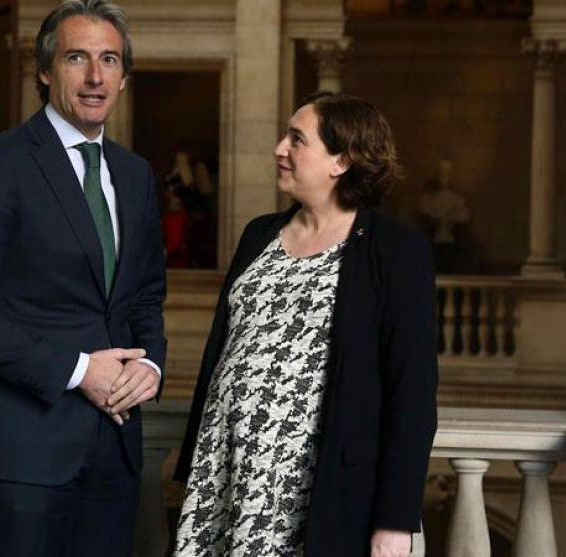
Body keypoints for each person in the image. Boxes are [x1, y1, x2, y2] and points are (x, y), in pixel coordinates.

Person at [0, 2, 166, 556]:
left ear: (124, 78)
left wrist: (150, 365)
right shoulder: (2, 162)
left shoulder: (134, 175)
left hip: (114, 449)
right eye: (77, 58)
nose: (95, 76)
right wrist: (78, 369)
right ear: (44, 70)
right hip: (22, 451)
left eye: (110, 60)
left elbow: (145, 295)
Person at [174, 92, 438, 557]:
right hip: (225, 473)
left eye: (297, 139)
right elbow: (224, 351)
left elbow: (412, 392)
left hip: (312, 490)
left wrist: (395, 519)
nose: (279, 148)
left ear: (341, 160)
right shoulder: (258, 233)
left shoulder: (396, 250)